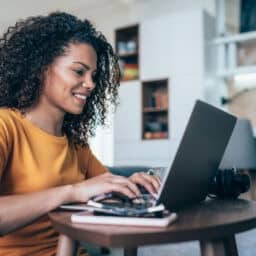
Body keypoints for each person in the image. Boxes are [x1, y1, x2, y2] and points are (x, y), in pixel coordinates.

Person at [0, 12, 160, 255]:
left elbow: (105, 188)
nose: (91, 84)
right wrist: (72, 192)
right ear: (41, 69)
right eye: (79, 72)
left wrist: (131, 185)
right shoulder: (5, 125)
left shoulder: (76, 144)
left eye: (94, 76)